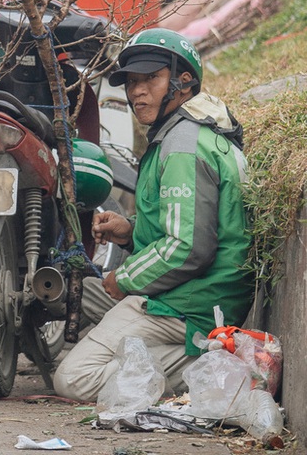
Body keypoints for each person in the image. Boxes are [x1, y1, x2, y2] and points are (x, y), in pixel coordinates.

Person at [52, 28, 253, 402]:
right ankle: (143, 347)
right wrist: (130, 233)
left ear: (184, 81)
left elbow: (188, 247)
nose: (136, 91)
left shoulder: (183, 147)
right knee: (60, 292)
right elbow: (183, 221)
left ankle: (214, 361)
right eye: (131, 82)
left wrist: (125, 278)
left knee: (73, 378)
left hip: (188, 305)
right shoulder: (177, 133)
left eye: (151, 79)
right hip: (179, 291)